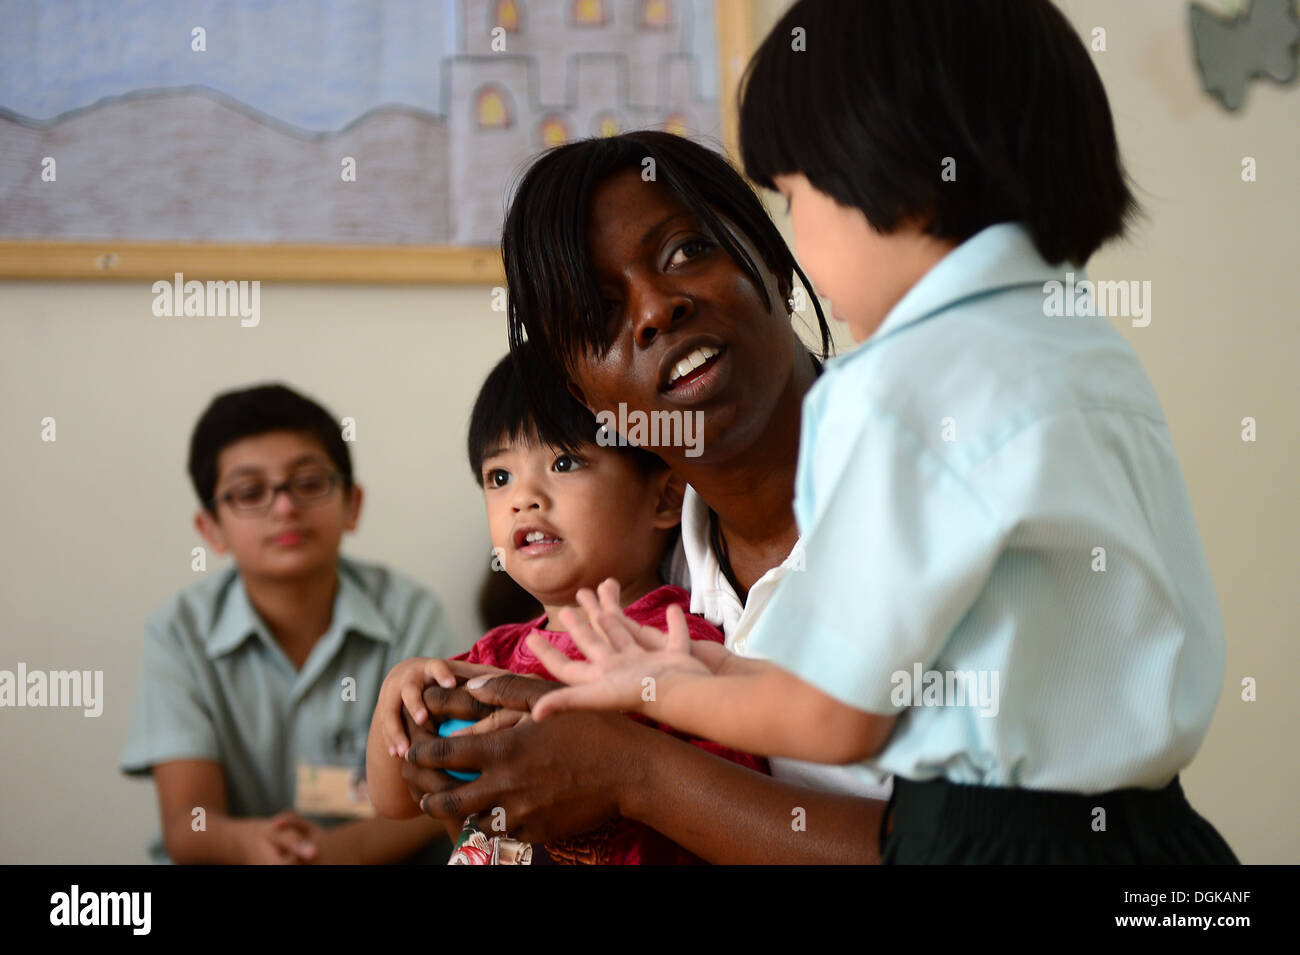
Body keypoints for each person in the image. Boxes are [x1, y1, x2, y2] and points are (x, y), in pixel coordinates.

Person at [523, 0, 1239, 864]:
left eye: (795, 196)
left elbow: (841, 717)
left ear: (886, 176)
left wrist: (652, 692)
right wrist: (706, 672)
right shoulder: (1083, 343)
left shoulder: (891, 390)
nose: (799, 236)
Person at [399, 129, 894, 865]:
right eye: (600, 310)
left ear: (775, 262)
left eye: (686, 252)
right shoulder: (634, 572)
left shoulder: (936, 475)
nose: (656, 309)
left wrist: (635, 773)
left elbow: (1021, 848)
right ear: (583, 393)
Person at [365, 350, 768, 864]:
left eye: (563, 462)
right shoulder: (490, 658)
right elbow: (393, 801)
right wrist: (396, 702)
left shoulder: (675, 647)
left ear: (664, 500)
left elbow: (732, 810)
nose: (523, 498)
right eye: (499, 477)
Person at [120, 383, 462, 864]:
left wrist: (330, 854)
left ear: (352, 504)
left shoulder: (409, 612)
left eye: (308, 482)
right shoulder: (178, 632)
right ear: (211, 529)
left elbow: (441, 793)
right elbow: (187, 822)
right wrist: (256, 846)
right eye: (250, 492)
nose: (284, 507)